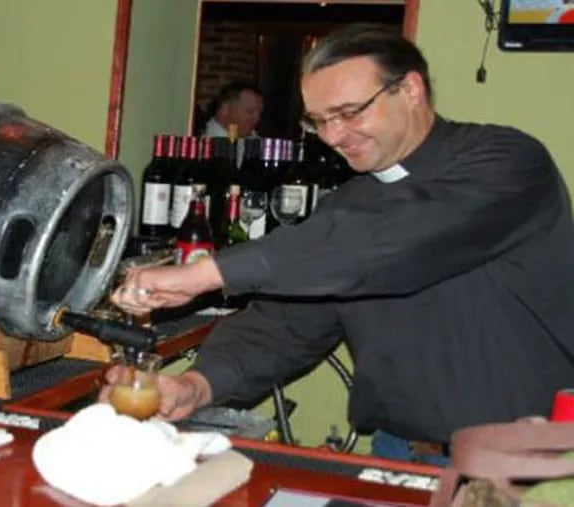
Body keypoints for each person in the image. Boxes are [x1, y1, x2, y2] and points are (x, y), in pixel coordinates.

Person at [105, 24, 574, 464]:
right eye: (318, 121)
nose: (332, 136)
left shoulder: (506, 163)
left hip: (523, 461)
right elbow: (285, 326)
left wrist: (208, 272)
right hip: (395, 453)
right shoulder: (349, 204)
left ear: (411, 90)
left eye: (348, 113)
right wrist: (196, 385)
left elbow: (392, 240)